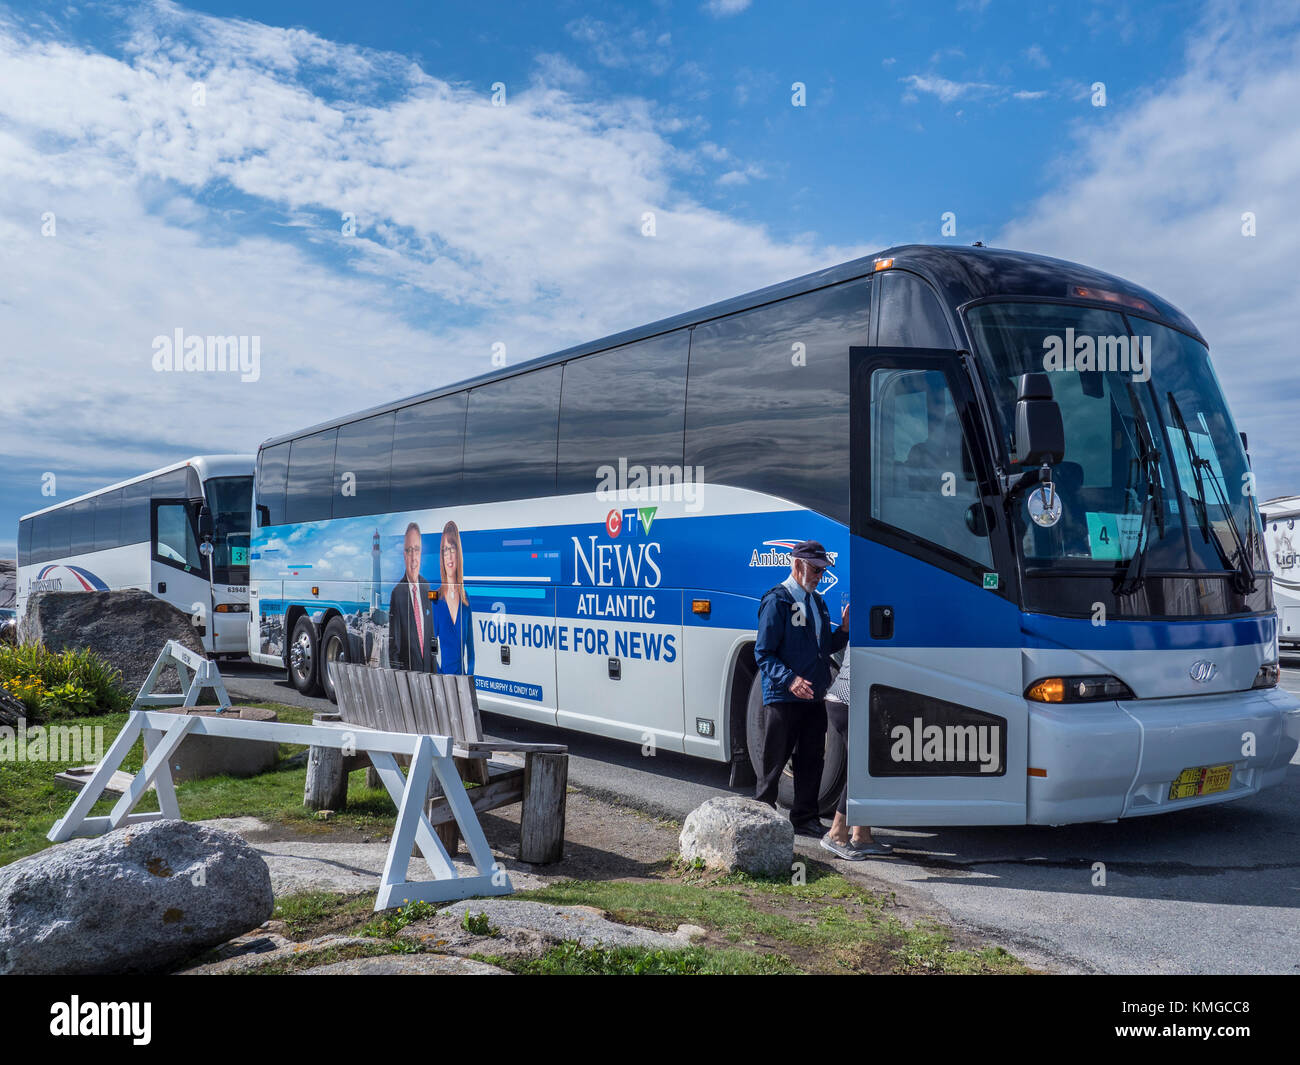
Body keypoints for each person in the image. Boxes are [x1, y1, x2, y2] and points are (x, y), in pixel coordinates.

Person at [754, 540, 848, 837]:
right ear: (796, 564)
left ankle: (805, 818)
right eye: (815, 569)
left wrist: (843, 631)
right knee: (775, 760)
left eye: (823, 570)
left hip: (813, 696)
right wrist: (791, 680)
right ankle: (762, 818)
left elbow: (823, 649)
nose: (819, 575)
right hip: (784, 696)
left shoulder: (818, 602)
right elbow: (763, 653)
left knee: (811, 759)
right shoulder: (777, 601)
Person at [820, 654, 892, 859]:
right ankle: (836, 834)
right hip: (849, 702)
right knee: (862, 768)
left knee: (866, 765)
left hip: (844, 701)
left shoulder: (871, 623)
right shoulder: (878, 625)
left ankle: (861, 836)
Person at [388, 522, 436, 672]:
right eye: (409, 551)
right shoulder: (397, 594)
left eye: (417, 550)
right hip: (409, 681)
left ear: (421, 552)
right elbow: (394, 648)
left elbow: (431, 639)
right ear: (404, 555)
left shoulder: (427, 587)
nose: (414, 557)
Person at [432, 520, 475, 675]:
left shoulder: (466, 600)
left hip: (462, 684)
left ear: (459, 553)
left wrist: (469, 679)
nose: (449, 556)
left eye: (452, 548)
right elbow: (429, 648)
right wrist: (440, 679)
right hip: (443, 685)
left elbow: (471, 652)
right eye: (445, 550)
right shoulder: (436, 599)